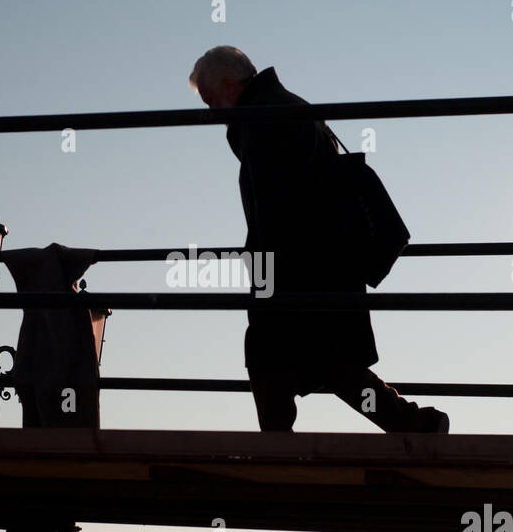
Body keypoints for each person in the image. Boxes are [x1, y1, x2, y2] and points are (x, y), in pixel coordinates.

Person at [189, 46, 450, 433]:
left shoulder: (262, 119)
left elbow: (273, 207)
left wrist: (261, 269)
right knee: (329, 359)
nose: (212, 114)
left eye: (212, 101)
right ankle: (412, 424)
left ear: (229, 85)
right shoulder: (282, 108)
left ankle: (280, 449)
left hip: (292, 265)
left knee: (272, 356)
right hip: (322, 260)